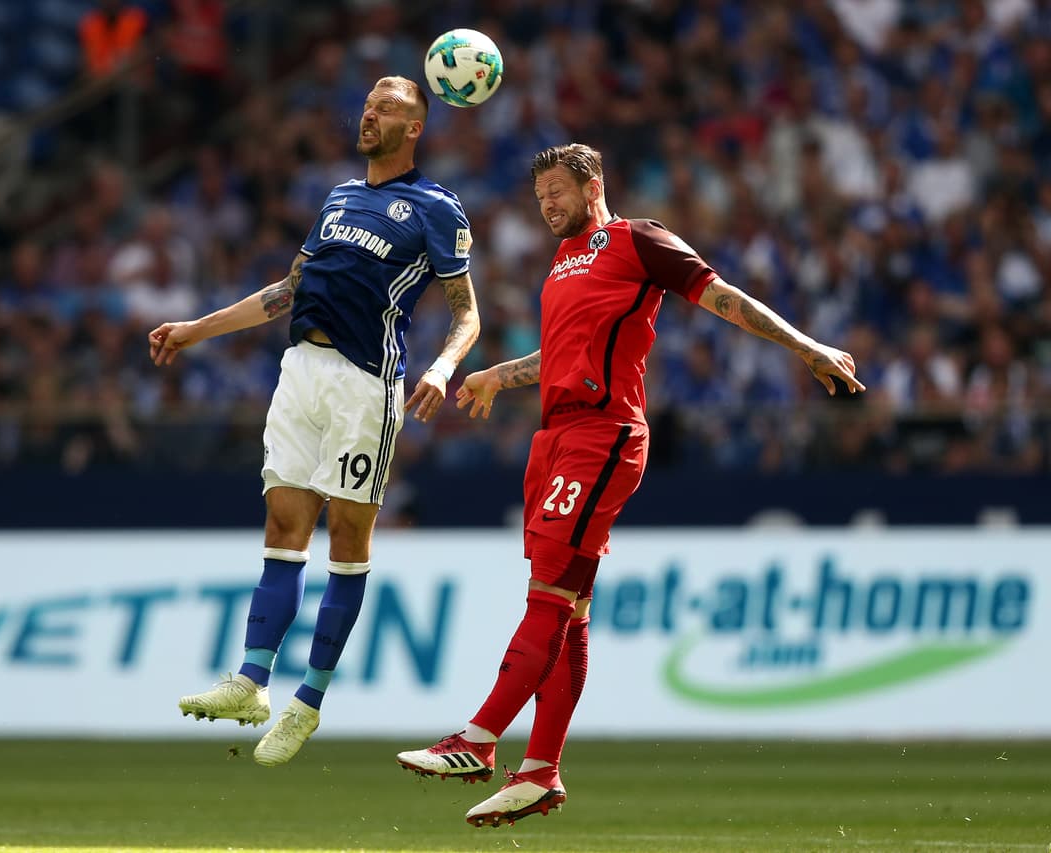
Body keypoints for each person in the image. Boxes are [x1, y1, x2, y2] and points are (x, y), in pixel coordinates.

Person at [395, 143, 864, 826]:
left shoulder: (638, 240)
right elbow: (560, 352)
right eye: (539, 196)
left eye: (557, 190)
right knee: (572, 605)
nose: (547, 204)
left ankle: (478, 738)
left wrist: (806, 346)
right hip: (554, 438)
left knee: (548, 594)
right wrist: (499, 374)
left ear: (593, 186)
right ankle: (540, 771)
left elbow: (723, 297)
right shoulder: (562, 260)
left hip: (603, 435)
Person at [147, 76, 481, 766]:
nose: (371, 114)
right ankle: (252, 680)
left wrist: (444, 367)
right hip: (300, 370)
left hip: (366, 384)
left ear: (414, 128)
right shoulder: (338, 197)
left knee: (348, 541)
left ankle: (309, 700)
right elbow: (285, 291)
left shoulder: (437, 208)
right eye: (369, 103)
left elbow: (467, 312)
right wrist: (195, 329)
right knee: (281, 527)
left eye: (388, 107)